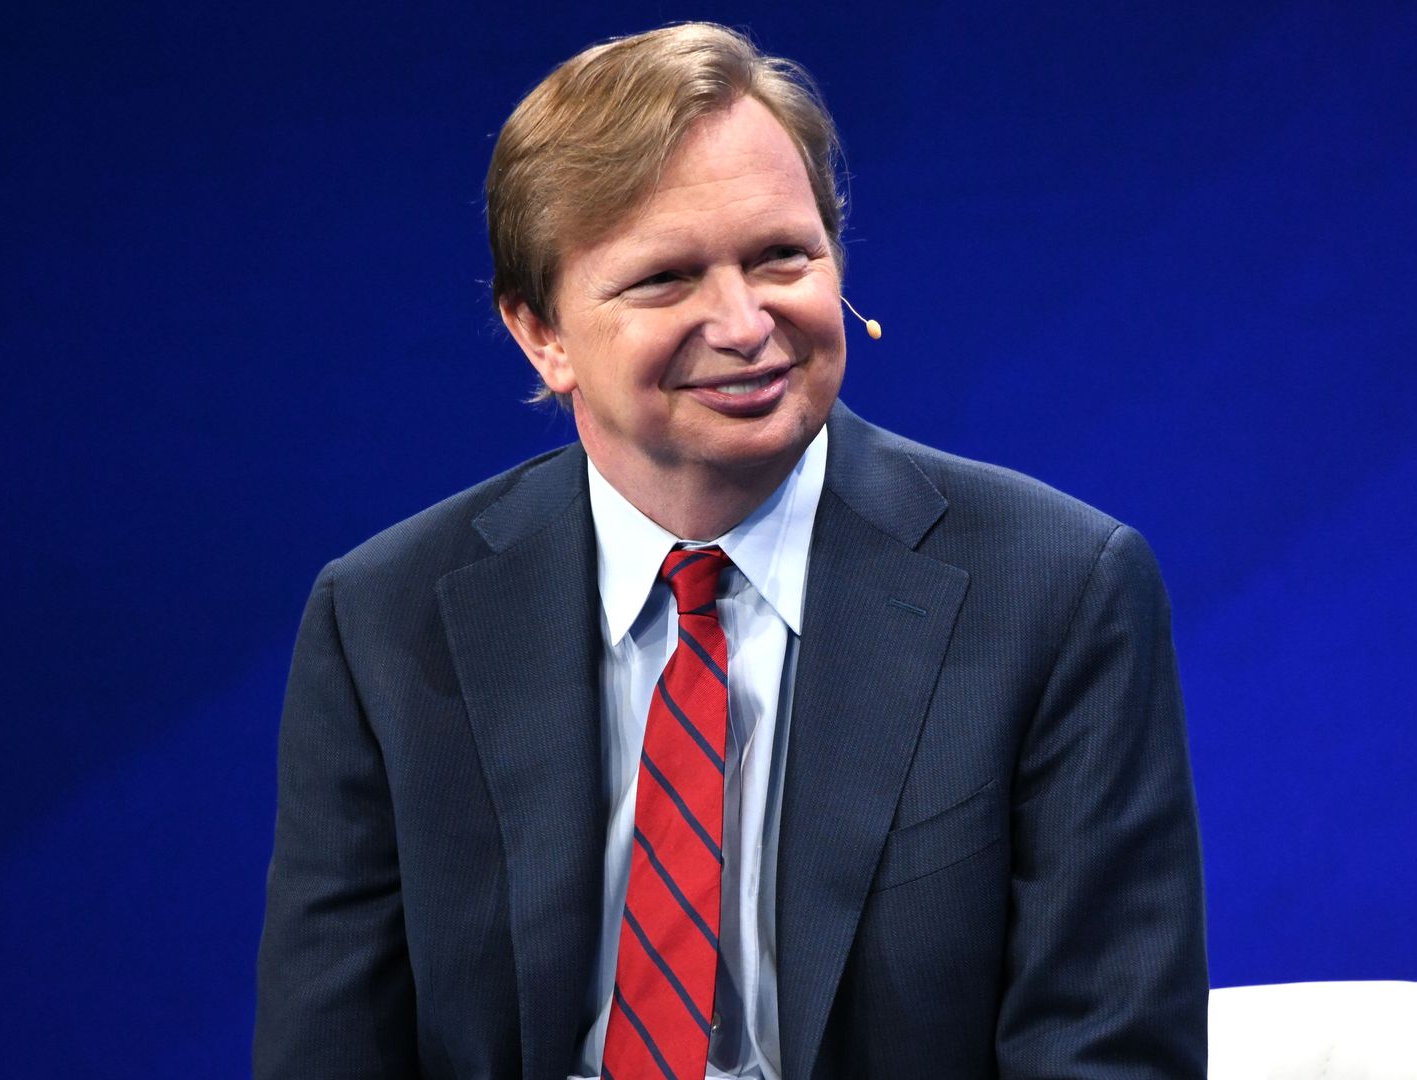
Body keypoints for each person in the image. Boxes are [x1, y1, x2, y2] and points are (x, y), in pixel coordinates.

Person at [255, 22, 1205, 1080]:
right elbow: (329, 1051)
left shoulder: (1060, 589)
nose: (745, 322)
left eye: (781, 257)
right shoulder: (386, 617)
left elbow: (1106, 1054)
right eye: (666, 278)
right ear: (543, 335)